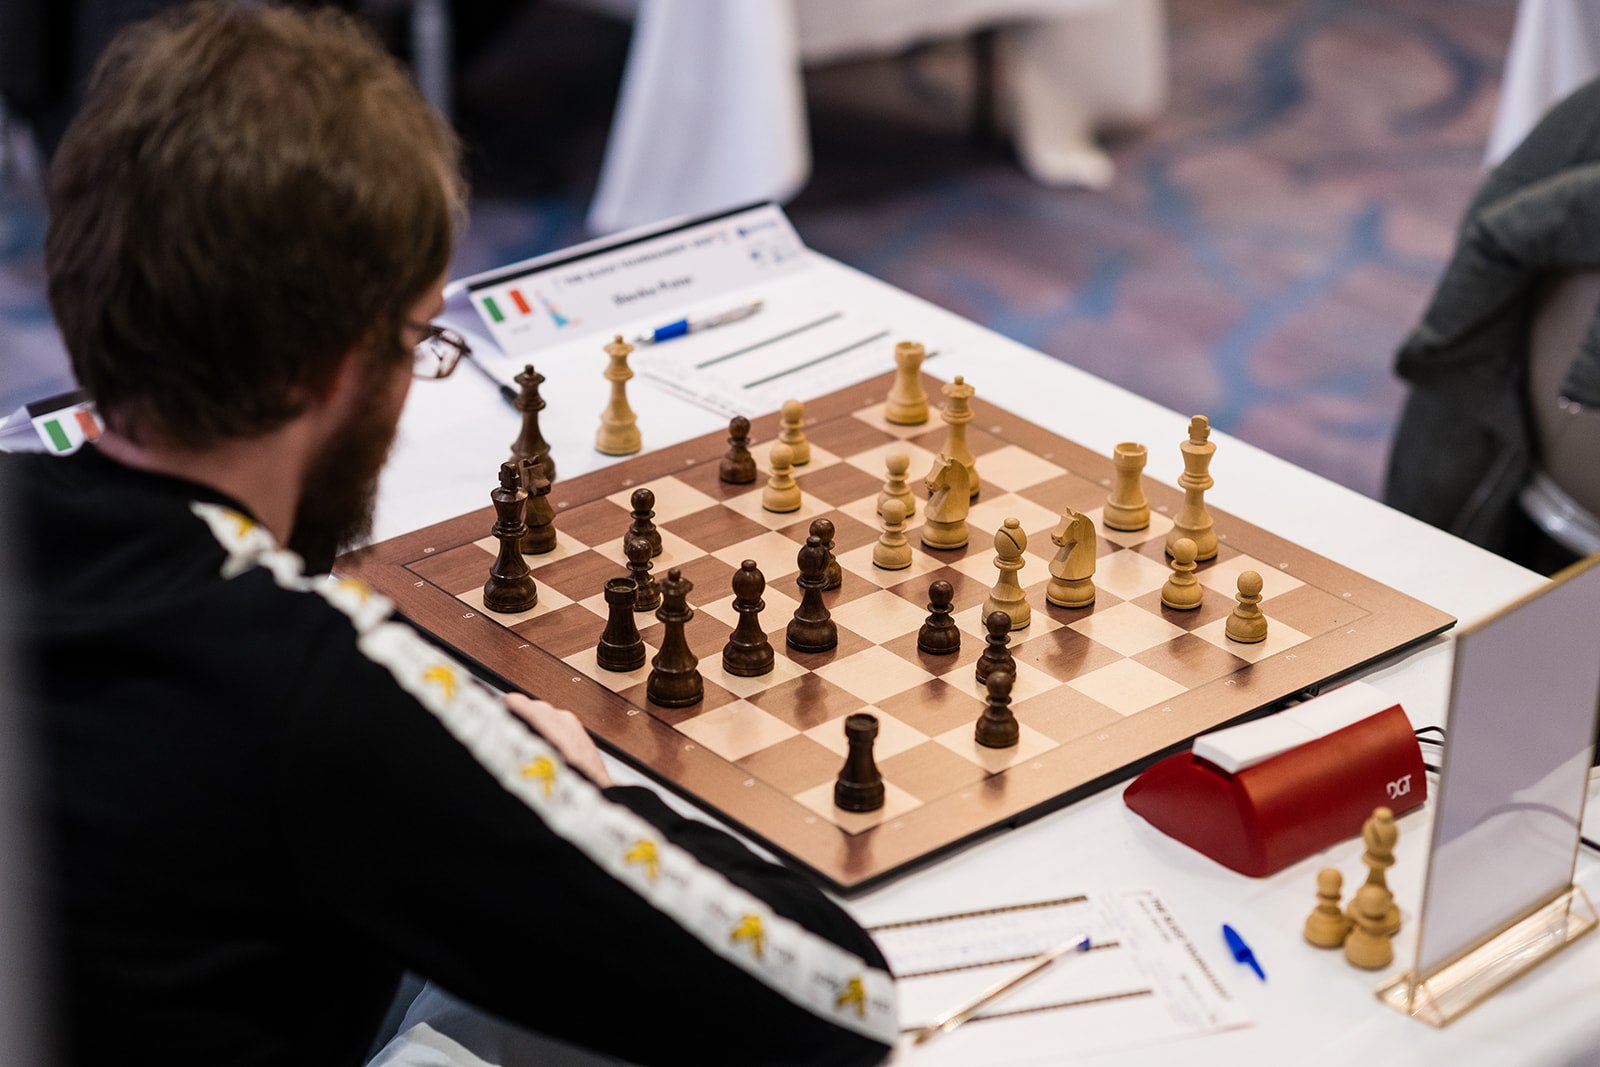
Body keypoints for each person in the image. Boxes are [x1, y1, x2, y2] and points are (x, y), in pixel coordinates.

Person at [7, 4, 896, 1065]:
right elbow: (840, 997)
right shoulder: (320, 691)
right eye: (419, 338)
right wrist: (582, 795)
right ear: (338, 367)